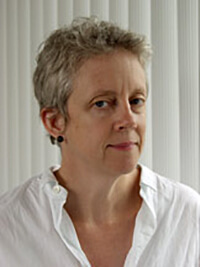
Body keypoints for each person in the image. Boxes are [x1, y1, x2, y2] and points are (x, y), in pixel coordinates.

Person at [0, 16, 199, 267]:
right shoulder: (8, 230)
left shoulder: (187, 217)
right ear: (55, 122)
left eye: (136, 100)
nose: (128, 120)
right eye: (102, 103)